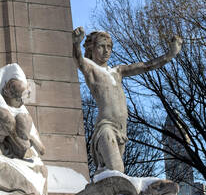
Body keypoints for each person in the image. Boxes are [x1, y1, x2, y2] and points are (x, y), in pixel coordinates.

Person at [73, 27, 182, 174]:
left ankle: (101, 188)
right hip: (106, 127)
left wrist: (170, 54)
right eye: (101, 46)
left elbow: (146, 66)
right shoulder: (91, 68)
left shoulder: (118, 71)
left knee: (111, 172)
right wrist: (75, 43)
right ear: (92, 48)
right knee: (117, 169)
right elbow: (78, 59)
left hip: (122, 130)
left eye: (109, 47)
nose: (106, 51)